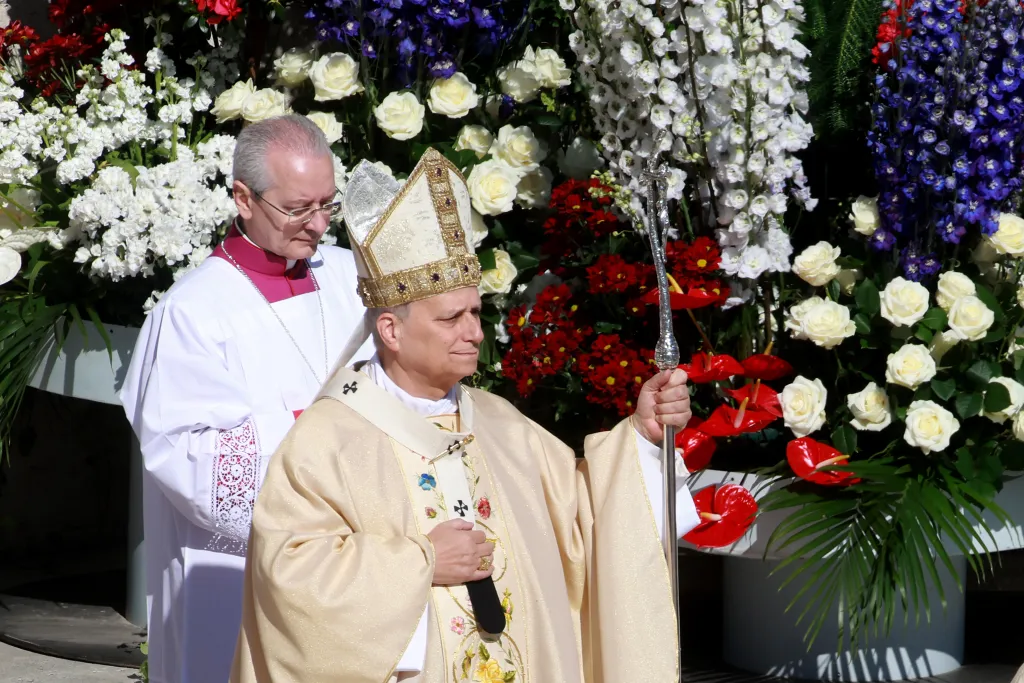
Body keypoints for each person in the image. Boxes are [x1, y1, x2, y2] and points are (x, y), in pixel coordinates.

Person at [229, 147, 702, 683]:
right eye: (452, 318)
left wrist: (641, 436)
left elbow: (583, 523)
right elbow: (290, 578)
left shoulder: (499, 423)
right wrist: (420, 561)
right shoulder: (326, 440)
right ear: (391, 330)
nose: (474, 333)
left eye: (476, 313)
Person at [119, 114, 373, 683]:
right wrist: (325, 442)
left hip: (348, 564)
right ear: (243, 198)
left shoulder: (344, 276)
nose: (317, 225)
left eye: (328, 204)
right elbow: (188, 460)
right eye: (298, 208)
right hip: (236, 574)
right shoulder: (192, 313)